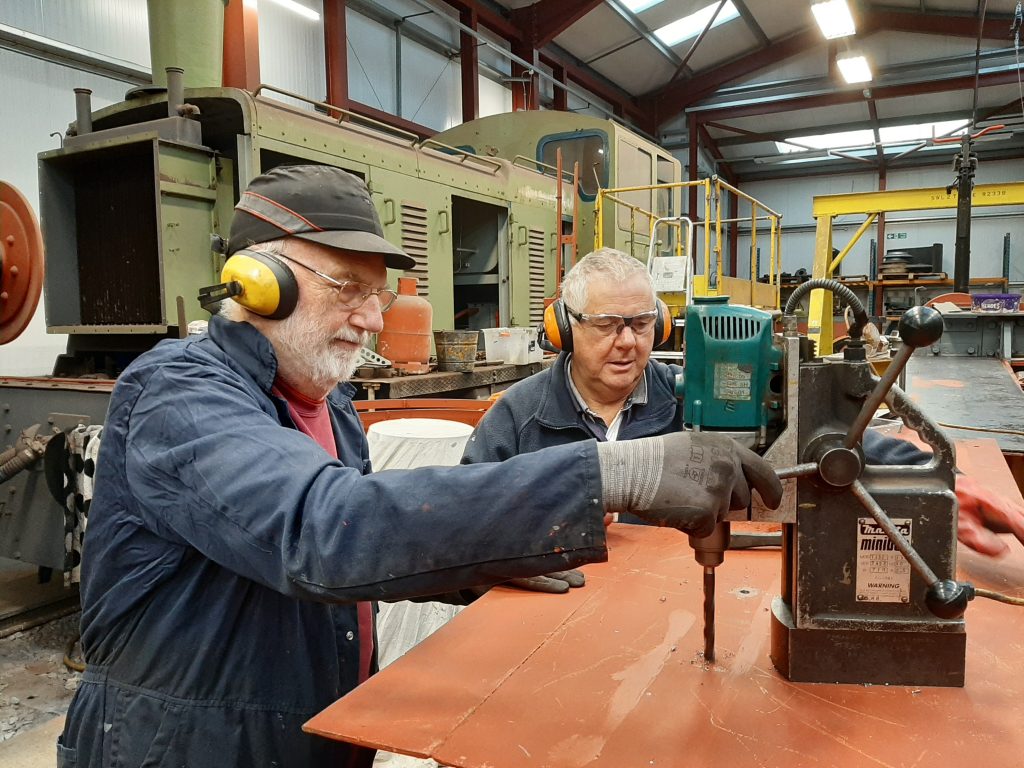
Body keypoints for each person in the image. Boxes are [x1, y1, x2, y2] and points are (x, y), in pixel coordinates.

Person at [55, 166, 783, 768]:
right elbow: (323, 531)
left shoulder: (329, 406)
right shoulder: (179, 394)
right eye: (348, 286)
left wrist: (482, 557)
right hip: (185, 747)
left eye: (379, 292)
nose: (374, 318)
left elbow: (370, 545)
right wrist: (617, 473)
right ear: (257, 280)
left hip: (313, 734)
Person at [462, 247, 1024, 569]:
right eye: (608, 325)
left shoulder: (695, 397)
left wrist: (937, 480)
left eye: (640, 323)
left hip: (672, 600)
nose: (629, 341)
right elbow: (462, 524)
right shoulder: (518, 418)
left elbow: (824, 437)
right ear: (565, 326)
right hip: (561, 608)